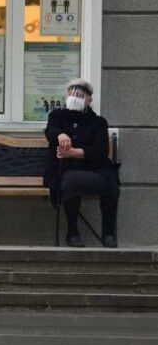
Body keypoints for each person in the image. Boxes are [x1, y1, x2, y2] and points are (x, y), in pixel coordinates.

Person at [44, 78, 119, 248]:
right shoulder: (57, 116)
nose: (75, 97)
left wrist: (75, 152)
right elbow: (50, 131)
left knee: (111, 182)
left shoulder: (98, 122)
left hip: (94, 168)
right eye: (72, 93)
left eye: (81, 94)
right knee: (71, 181)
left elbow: (100, 151)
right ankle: (72, 232)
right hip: (65, 170)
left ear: (89, 99)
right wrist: (60, 135)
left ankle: (108, 234)